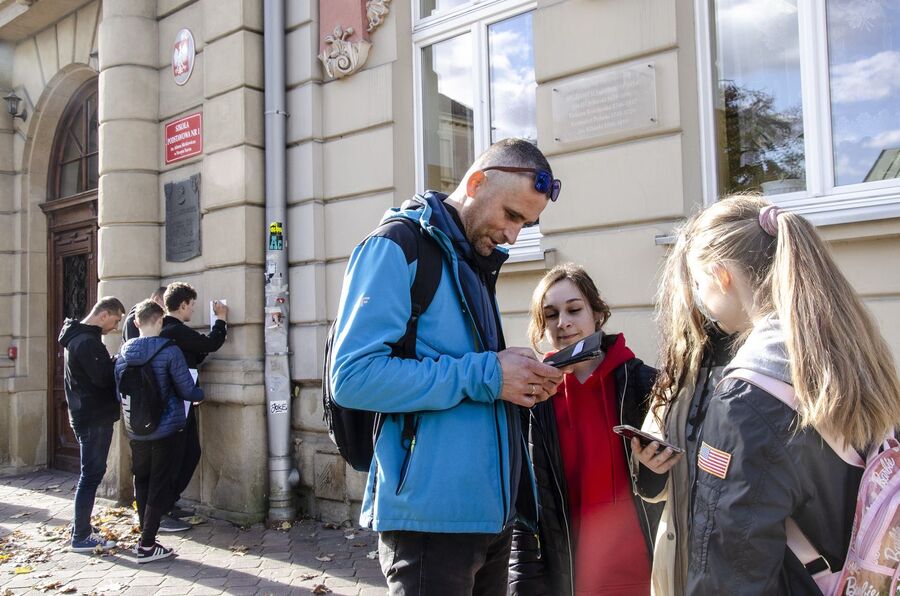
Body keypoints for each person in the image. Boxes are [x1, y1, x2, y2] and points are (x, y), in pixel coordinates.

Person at [331, 138, 564, 595]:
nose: (515, 236)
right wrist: (490, 374)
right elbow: (352, 377)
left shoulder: (473, 259)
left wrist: (518, 376)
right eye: (512, 216)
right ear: (476, 182)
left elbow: (473, 373)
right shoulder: (396, 245)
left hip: (492, 519)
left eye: (528, 223)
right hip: (429, 527)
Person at [635, 195, 900, 594]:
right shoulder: (851, 356)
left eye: (699, 281)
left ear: (721, 275)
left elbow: (729, 570)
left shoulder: (746, 393)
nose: (700, 299)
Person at [508, 263, 659, 596]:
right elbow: (524, 508)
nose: (563, 323)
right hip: (572, 579)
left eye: (574, 309)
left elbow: (671, 485)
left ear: (598, 314)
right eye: (550, 315)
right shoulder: (531, 400)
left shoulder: (645, 384)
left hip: (647, 574)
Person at [631, 230, 734, 596]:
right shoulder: (681, 364)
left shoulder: (770, 360)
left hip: (745, 560)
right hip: (683, 561)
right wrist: (651, 466)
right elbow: (655, 488)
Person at [115, 299, 204, 563]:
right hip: (167, 429)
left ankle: (144, 536)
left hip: (136, 429)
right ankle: (147, 544)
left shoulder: (123, 353)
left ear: (136, 322)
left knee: (141, 481)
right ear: (161, 321)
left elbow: (118, 391)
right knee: (160, 484)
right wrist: (200, 394)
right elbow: (187, 389)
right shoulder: (169, 350)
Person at [57, 296, 126, 553]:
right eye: (116, 320)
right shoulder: (86, 342)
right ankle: (82, 536)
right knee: (91, 475)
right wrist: (117, 361)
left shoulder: (78, 336)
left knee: (91, 473)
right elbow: (102, 378)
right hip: (93, 416)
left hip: (85, 414)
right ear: (104, 315)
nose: (115, 327)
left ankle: (81, 527)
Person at [158, 282, 228, 532]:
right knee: (183, 453)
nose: (193, 310)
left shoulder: (167, 330)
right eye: (192, 305)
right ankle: (163, 505)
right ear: (183, 304)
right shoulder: (174, 329)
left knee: (185, 452)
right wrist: (221, 320)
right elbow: (209, 344)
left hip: (179, 400)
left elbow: (196, 353)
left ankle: (168, 503)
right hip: (179, 401)